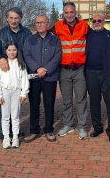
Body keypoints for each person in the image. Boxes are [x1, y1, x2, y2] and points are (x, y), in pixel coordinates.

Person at [50, 2, 92, 139]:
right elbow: (46, 37)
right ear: (63, 13)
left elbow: (93, 38)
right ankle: (68, 125)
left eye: (71, 12)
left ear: (75, 12)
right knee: (67, 100)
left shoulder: (84, 25)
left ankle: (82, 126)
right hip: (64, 68)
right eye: (66, 12)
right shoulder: (57, 26)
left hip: (80, 68)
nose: (69, 15)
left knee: (81, 99)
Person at [0, 7, 32, 141]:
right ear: (7, 19)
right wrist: (1, 59)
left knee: (18, 102)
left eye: (16, 18)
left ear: (20, 19)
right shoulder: (1, 33)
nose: (14, 21)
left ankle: (15, 129)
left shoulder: (27, 32)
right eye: (11, 18)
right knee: (4, 101)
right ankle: (3, 131)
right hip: (6, 69)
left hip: (22, 69)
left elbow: (30, 50)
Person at [23, 15, 62, 143]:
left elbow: (57, 56)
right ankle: (34, 130)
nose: (39, 25)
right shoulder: (29, 39)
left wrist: (45, 70)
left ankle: (49, 130)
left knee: (49, 104)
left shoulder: (55, 40)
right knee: (34, 104)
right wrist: (37, 68)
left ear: (47, 24)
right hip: (34, 77)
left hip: (49, 77)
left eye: (41, 22)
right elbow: (27, 55)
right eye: (37, 22)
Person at [85, 14, 110, 143]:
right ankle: (97, 127)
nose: (97, 22)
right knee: (94, 102)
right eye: (94, 21)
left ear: (104, 22)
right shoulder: (88, 36)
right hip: (90, 73)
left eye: (99, 20)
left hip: (108, 74)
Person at [0, 42, 29, 149]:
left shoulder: (21, 64)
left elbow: (24, 79)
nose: (12, 52)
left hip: (16, 92)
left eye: (14, 50)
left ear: (17, 51)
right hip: (5, 92)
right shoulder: (2, 65)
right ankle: (6, 137)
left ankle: (15, 137)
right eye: (9, 50)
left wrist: (23, 93)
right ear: (6, 51)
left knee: (15, 116)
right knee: (5, 117)